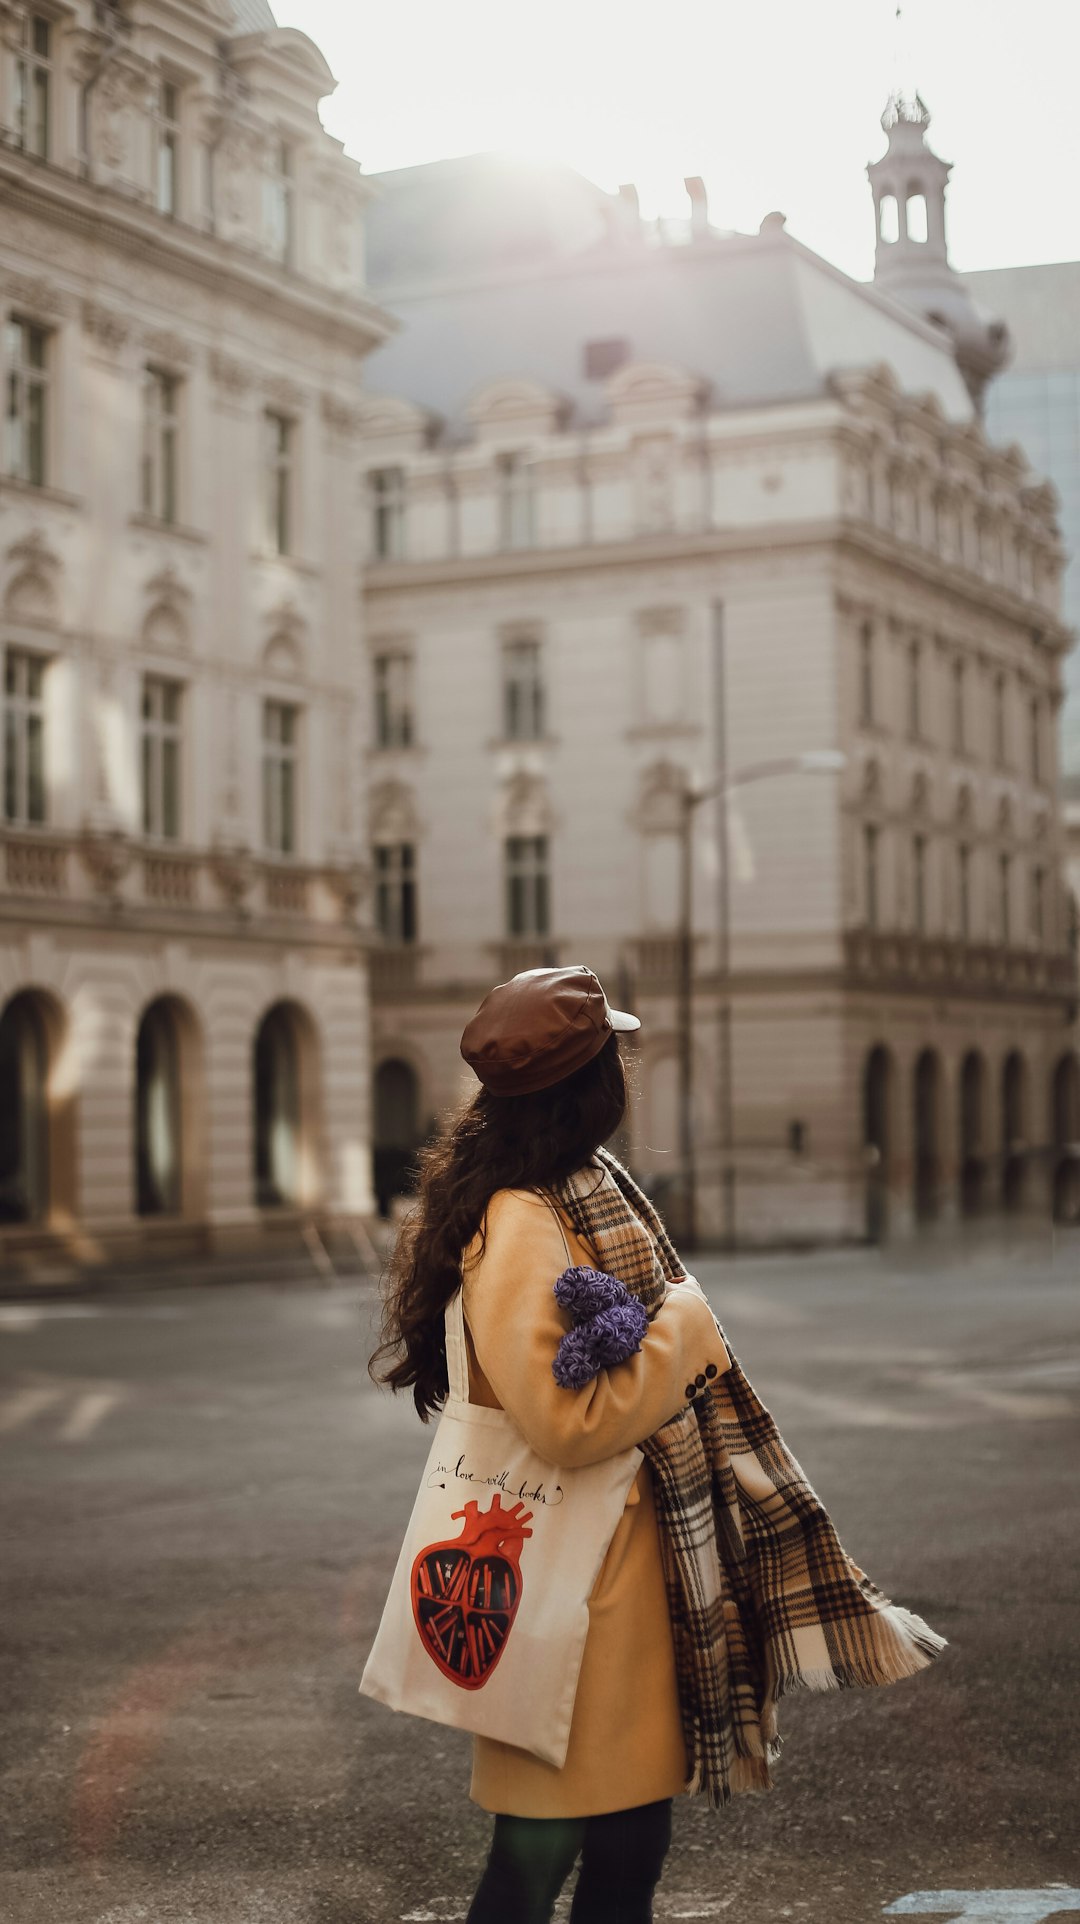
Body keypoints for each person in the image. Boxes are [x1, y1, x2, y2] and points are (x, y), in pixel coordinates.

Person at [370, 965, 944, 1924]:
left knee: (620, 1854)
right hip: (567, 1595)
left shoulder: (582, 1188)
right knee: (542, 1864)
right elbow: (563, 1423)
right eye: (613, 1060)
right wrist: (681, 1326)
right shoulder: (520, 1220)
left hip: (615, 1591)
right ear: (588, 1086)